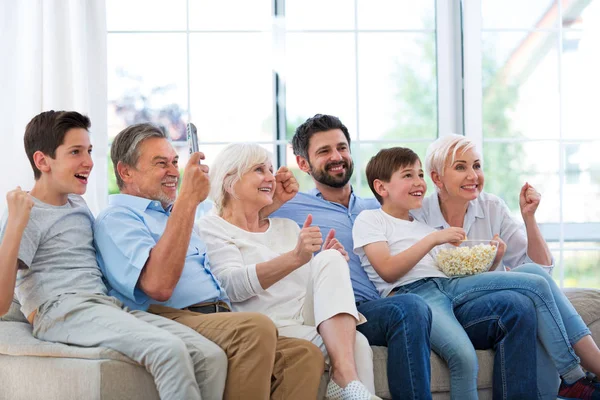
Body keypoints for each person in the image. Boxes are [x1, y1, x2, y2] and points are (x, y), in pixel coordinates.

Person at [272, 114, 547, 400]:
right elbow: (241, 221)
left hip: (408, 298)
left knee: (516, 306)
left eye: (342, 147)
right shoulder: (291, 207)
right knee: (410, 306)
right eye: (324, 151)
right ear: (303, 163)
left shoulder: (383, 208)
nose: (337, 156)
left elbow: (438, 220)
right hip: (348, 310)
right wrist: (276, 201)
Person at [0, 111, 227, 400]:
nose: (89, 161)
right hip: (62, 312)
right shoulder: (25, 210)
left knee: (210, 356)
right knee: (167, 351)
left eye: (90, 151)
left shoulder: (77, 204)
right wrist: (16, 222)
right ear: (43, 161)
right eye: (75, 152)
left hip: (104, 305)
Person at [94, 123, 324, 400]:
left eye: (174, 162)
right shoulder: (118, 218)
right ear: (125, 171)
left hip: (218, 314)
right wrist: (187, 201)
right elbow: (158, 286)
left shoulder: (174, 215)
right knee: (256, 327)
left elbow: (228, 219)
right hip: (166, 313)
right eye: (160, 163)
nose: (173, 172)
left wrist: (267, 203)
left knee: (303, 354)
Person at [354, 146, 600, 400]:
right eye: (408, 176)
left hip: (448, 285)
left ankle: (571, 376)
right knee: (464, 357)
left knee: (536, 278)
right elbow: (387, 270)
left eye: (419, 175)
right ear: (381, 187)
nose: (418, 182)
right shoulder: (370, 219)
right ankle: (574, 376)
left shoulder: (420, 225)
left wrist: (492, 261)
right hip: (415, 294)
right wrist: (434, 239)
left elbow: (448, 269)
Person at [198, 142, 380, 400]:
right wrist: (295, 258)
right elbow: (230, 286)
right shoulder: (211, 228)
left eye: (271, 170)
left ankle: (344, 379)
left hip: (302, 318)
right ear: (230, 180)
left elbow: (304, 283)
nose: (271, 178)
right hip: (264, 326)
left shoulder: (286, 226)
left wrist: (325, 262)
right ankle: (345, 380)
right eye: (259, 170)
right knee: (358, 344)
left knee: (330, 257)